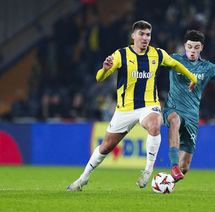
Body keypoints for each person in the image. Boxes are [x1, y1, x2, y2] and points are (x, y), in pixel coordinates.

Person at [67, 20, 197, 191]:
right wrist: (105, 69)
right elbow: (99, 78)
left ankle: (148, 170)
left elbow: (175, 64)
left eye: (148, 35)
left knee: (155, 124)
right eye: (141, 34)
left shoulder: (157, 54)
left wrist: (192, 78)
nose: (145, 38)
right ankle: (83, 178)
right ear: (133, 36)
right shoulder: (121, 55)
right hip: (125, 109)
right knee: (106, 146)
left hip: (149, 105)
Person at [162, 30, 215, 182]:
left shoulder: (207, 67)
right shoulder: (174, 59)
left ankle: (166, 183)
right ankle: (174, 165)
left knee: (185, 167)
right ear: (185, 46)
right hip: (173, 108)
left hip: (192, 116)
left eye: (196, 47)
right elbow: (155, 61)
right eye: (190, 47)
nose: (192, 51)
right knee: (174, 121)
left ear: (201, 48)